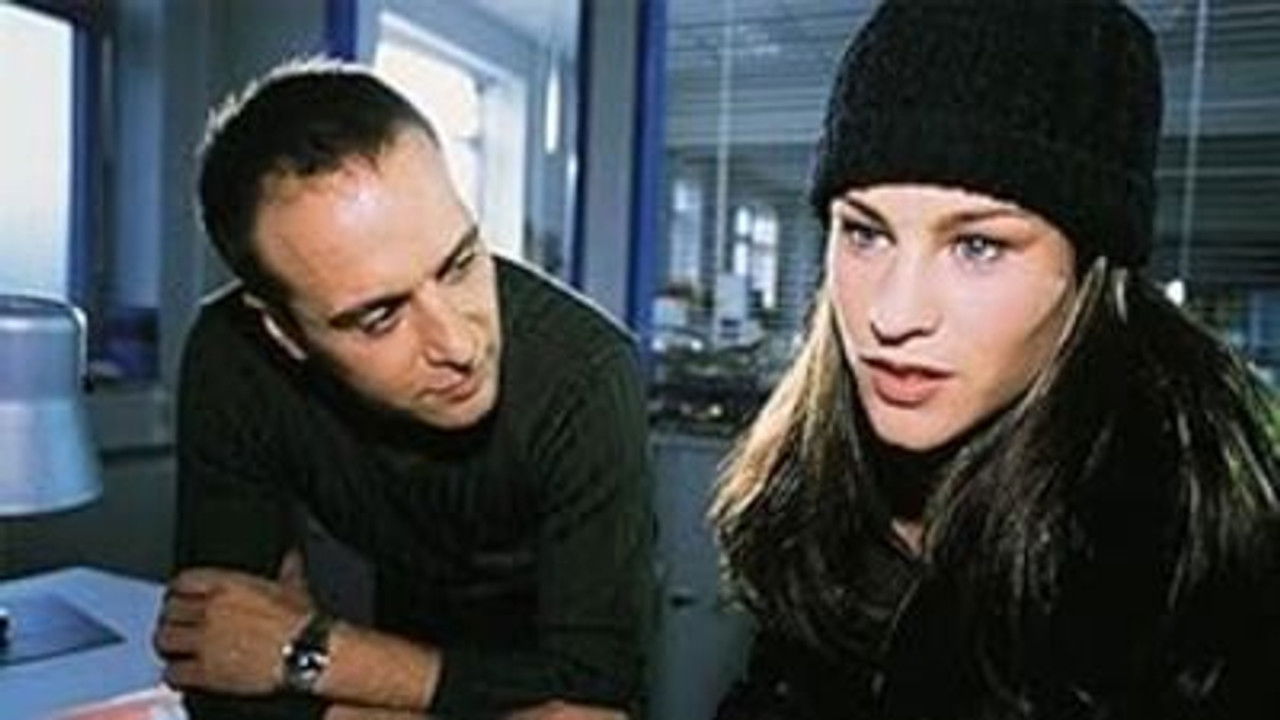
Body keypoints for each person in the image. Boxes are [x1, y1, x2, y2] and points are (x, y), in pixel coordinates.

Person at [711, 1, 1280, 718]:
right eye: (865, 233)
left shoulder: (1200, 585)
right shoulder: (819, 491)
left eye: (977, 246)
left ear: (1091, 269)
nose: (893, 314)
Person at [151, 60, 653, 720]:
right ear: (285, 333)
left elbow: (595, 693)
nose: (460, 345)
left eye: (460, 263)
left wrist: (314, 654)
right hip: (417, 633)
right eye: (381, 316)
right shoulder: (235, 358)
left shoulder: (584, 374)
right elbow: (219, 653)